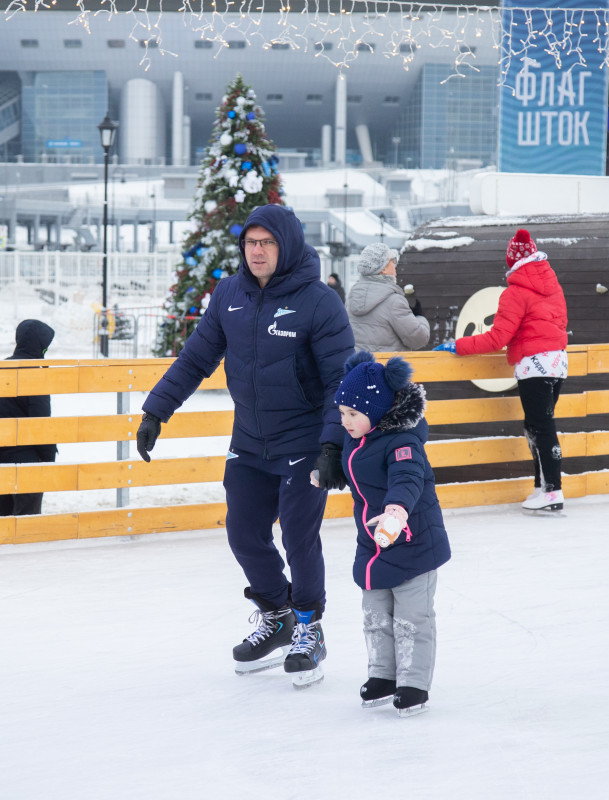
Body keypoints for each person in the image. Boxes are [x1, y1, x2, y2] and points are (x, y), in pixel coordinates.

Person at [136, 204, 354, 685]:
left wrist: (332, 446)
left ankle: (309, 626)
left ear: (287, 245)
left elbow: (341, 379)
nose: (257, 251)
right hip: (250, 441)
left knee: (298, 536)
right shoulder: (229, 294)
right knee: (243, 533)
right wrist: (156, 410)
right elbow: (196, 359)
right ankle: (276, 614)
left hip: (302, 442)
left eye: (267, 243)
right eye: (250, 243)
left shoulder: (319, 302)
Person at [313, 350, 451, 715]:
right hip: (374, 544)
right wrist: (331, 473)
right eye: (341, 413)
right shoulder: (358, 438)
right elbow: (360, 470)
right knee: (376, 614)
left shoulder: (403, 442)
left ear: (376, 411)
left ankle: (413, 684)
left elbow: (407, 480)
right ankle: (383, 676)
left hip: (411, 541)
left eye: (352, 414)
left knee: (411, 619)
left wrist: (395, 512)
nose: (344, 421)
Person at [434, 228, 568, 512]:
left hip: (534, 365)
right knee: (537, 425)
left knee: (540, 427)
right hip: (557, 362)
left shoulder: (515, 293)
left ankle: (553, 490)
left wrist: (458, 345)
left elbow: (497, 338)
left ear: (512, 262)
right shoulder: (553, 286)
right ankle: (542, 487)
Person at [0, 319, 57, 516]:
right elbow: (41, 424)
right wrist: (48, 458)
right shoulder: (35, 376)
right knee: (26, 519)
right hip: (27, 460)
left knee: (4, 520)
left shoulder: (2, 368)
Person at [346, 242, 430, 352]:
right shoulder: (394, 302)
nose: (395, 265)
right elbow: (419, 339)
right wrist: (420, 318)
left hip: (358, 367)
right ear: (383, 269)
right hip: (387, 367)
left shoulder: (352, 297)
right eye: (392, 261)